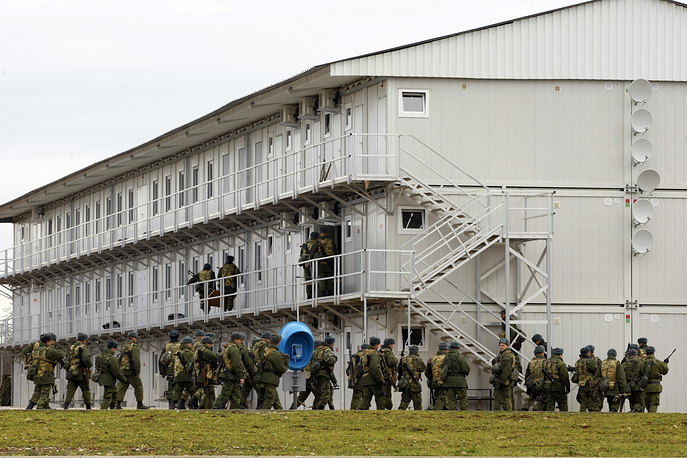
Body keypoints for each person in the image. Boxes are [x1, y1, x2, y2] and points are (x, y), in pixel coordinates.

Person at [116, 331, 149, 410]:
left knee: (121, 388)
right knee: (138, 386)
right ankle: (139, 404)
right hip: (131, 372)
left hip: (123, 371)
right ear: (134, 338)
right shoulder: (134, 347)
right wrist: (137, 372)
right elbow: (136, 361)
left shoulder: (124, 346)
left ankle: (118, 404)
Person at [31, 333, 65, 409]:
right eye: (50, 341)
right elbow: (60, 355)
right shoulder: (48, 350)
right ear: (47, 342)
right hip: (45, 375)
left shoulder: (35, 350)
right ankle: (40, 407)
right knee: (45, 393)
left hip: (37, 374)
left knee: (37, 391)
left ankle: (43, 406)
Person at [434, 341, 470, 411]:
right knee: (463, 398)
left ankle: (452, 414)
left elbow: (443, 366)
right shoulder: (460, 357)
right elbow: (466, 369)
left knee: (451, 399)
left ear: (450, 348)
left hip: (448, 382)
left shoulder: (446, 357)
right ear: (458, 348)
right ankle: (463, 413)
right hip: (460, 382)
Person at [213, 332, 244, 409]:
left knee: (235, 395)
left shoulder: (226, 347)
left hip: (228, 374)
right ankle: (215, 408)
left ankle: (237, 410)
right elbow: (236, 364)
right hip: (231, 375)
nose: (240, 342)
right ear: (236, 340)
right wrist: (241, 376)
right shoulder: (234, 349)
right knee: (225, 395)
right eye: (239, 340)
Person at [63, 332, 93, 409]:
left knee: (70, 390)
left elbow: (67, 358)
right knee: (85, 389)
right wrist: (90, 364)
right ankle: (88, 406)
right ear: (84, 340)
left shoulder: (71, 347)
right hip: (80, 372)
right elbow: (86, 359)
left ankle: (66, 405)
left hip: (71, 372)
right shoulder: (83, 348)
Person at [260, 333, 289, 409]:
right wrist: (286, 366)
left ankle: (280, 412)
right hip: (271, 379)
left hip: (264, 377)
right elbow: (281, 368)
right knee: (269, 400)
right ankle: (262, 415)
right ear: (278, 343)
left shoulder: (265, 350)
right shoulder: (275, 354)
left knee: (275, 399)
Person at [636, 346, 669, 413]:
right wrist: (665, 363)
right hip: (656, 386)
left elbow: (638, 375)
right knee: (654, 404)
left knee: (647, 404)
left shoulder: (642, 364)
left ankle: (649, 416)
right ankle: (651, 417)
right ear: (653, 353)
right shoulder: (658, 362)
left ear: (646, 353)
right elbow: (665, 371)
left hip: (646, 387)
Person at [161, 330, 188, 409]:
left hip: (169, 370)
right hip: (180, 369)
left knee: (171, 387)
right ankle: (180, 404)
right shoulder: (181, 345)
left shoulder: (166, 346)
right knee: (181, 387)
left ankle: (171, 404)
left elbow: (161, 359)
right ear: (178, 337)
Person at [97, 341, 127, 410]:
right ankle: (103, 410)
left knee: (115, 393)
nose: (115, 351)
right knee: (108, 396)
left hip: (102, 377)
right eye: (115, 349)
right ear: (112, 348)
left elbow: (97, 366)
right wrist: (124, 380)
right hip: (109, 379)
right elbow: (116, 372)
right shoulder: (112, 358)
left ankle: (112, 408)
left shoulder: (100, 356)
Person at [359, 337, 386, 410]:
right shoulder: (374, 353)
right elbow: (375, 367)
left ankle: (359, 413)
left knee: (365, 399)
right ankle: (381, 415)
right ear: (376, 345)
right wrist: (380, 380)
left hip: (365, 378)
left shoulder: (364, 353)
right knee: (380, 398)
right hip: (373, 380)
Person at [311, 336, 337, 409]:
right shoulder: (328, 350)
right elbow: (329, 361)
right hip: (324, 373)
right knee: (326, 392)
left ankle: (331, 407)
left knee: (329, 390)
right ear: (331, 343)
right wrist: (335, 359)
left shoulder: (318, 350)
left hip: (317, 373)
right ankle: (320, 407)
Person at [491, 338, 517, 411]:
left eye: (503, 345)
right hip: (500, 379)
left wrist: (502, 381)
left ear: (507, 346)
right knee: (497, 398)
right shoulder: (501, 355)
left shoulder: (507, 356)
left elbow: (507, 370)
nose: (501, 347)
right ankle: (497, 414)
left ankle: (508, 413)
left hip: (505, 380)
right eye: (500, 345)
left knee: (506, 398)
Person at [397, 345, 426, 410]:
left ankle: (400, 414)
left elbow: (399, 370)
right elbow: (423, 369)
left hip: (405, 383)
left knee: (404, 401)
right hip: (414, 383)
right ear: (416, 352)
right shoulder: (418, 360)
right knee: (417, 403)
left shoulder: (404, 359)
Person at [310, 227, 337, 297]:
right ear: (326, 233)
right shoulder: (331, 241)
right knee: (328, 279)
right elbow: (336, 252)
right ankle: (329, 292)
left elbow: (311, 253)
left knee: (322, 279)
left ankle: (323, 293)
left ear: (320, 233)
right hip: (329, 263)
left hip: (321, 264)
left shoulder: (317, 242)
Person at [195, 336, 219, 409]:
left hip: (201, 374)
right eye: (210, 344)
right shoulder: (205, 351)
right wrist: (220, 354)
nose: (211, 345)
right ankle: (207, 409)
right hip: (205, 375)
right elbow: (215, 357)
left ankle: (201, 407)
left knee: (207, 392)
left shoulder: (199, 349)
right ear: (206, 343)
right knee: (210, 394)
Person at [171, 337, 195, 409]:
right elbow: (190, 364)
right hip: (185, 376)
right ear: (187, 344)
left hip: (178, 375)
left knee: (177, 391)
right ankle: (195, 405)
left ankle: (172, 405)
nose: (191, 345)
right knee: (192, 390)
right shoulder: (188, 353)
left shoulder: (178, 352)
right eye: (191, 344)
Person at [522, 345, 548, 411]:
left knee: (531, 398)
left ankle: (524, 408)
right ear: (543, 352)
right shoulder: (545, 362)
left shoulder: (531, 362)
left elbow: (527, 375)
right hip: (541, 385)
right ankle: (536, 409)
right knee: (543, 399)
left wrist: (528, 386)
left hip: (532, 384)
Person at [543, 347, 570, 411]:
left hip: (548, 386)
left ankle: (549, 418)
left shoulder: (546, 362)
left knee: (550, 404)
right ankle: (564, 418)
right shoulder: (561, 363)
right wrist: (567, 387)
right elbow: (565, 377)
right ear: (560, 354)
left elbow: (544, 375)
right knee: (563, 404)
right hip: (558, 387)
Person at [425, 342, 449, 410]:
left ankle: (436, 407)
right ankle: (433, 408)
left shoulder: (432, 358)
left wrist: (432, 379)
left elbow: (427, 372)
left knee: (437, 396)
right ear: (446, 350)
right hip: (444, 382)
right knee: (442, 397)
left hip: (434, 382)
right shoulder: (447, 358)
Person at [574, 346, 598, 412]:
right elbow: (595, 370)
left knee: (583, 401)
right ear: (587, 353)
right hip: (589, 383)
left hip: (581, 383)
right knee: (593, 400)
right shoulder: (589, 361)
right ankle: (592, 413)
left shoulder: (578, 362)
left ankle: (582, 413)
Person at [22, 336, 43, 409]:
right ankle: (38, 405)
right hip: (44, 370)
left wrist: (31, 360)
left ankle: (33, 404)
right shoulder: (47, 347)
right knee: (44, 388)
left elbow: (24, 351)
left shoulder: (34, 345)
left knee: (38, 387)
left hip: (35, 369)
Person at [237, 333, 256, 409]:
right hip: (249, 373)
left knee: (244, 391)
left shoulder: (236, 348)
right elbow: (248, 363)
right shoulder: (245, 350)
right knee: (260, 391)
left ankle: (240, 404)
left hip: (244, 374)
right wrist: (252, 374)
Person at [621, 347, 644, 412]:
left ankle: (633, 410)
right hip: (637, 384)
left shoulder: (624, 363)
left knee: (632, 401)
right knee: (639, 401)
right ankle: (635, 410)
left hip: (628, 385)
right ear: (636, 355)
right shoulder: (639, 361)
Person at [379, 338, 399, 409]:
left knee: (383, 393)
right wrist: (396, 359)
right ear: (389, 345)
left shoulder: (381, 351)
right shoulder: (388, 352)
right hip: (387, 375)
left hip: (382, 375)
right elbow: (391, 362)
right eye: (392, 344)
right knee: (387, 393)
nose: (393, 346)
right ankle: (388, 407)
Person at [347, 343, 367, 410]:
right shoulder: (365, 356)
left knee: (356, 398)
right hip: (363, 379)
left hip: (356, 379)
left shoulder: (354, 356)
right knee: (365, 397)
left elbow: (348, 370)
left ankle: (353, 411)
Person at [300, 233, 319, 299]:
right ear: (317, 237)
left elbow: (301, 254)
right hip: (313, 264)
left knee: (308, 280)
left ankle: (309, 295)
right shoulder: (316, 244)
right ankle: (315, 294)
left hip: (306, 264)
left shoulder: (306, 244)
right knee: (314, 279)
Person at [587, 344, 603, 411]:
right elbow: (601, 370)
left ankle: (590, 409)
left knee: (586, 398)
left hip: (586, 383)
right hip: (595, 383)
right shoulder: (597, 360)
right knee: (597, 398)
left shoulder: (583, 360)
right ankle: (597, 410)